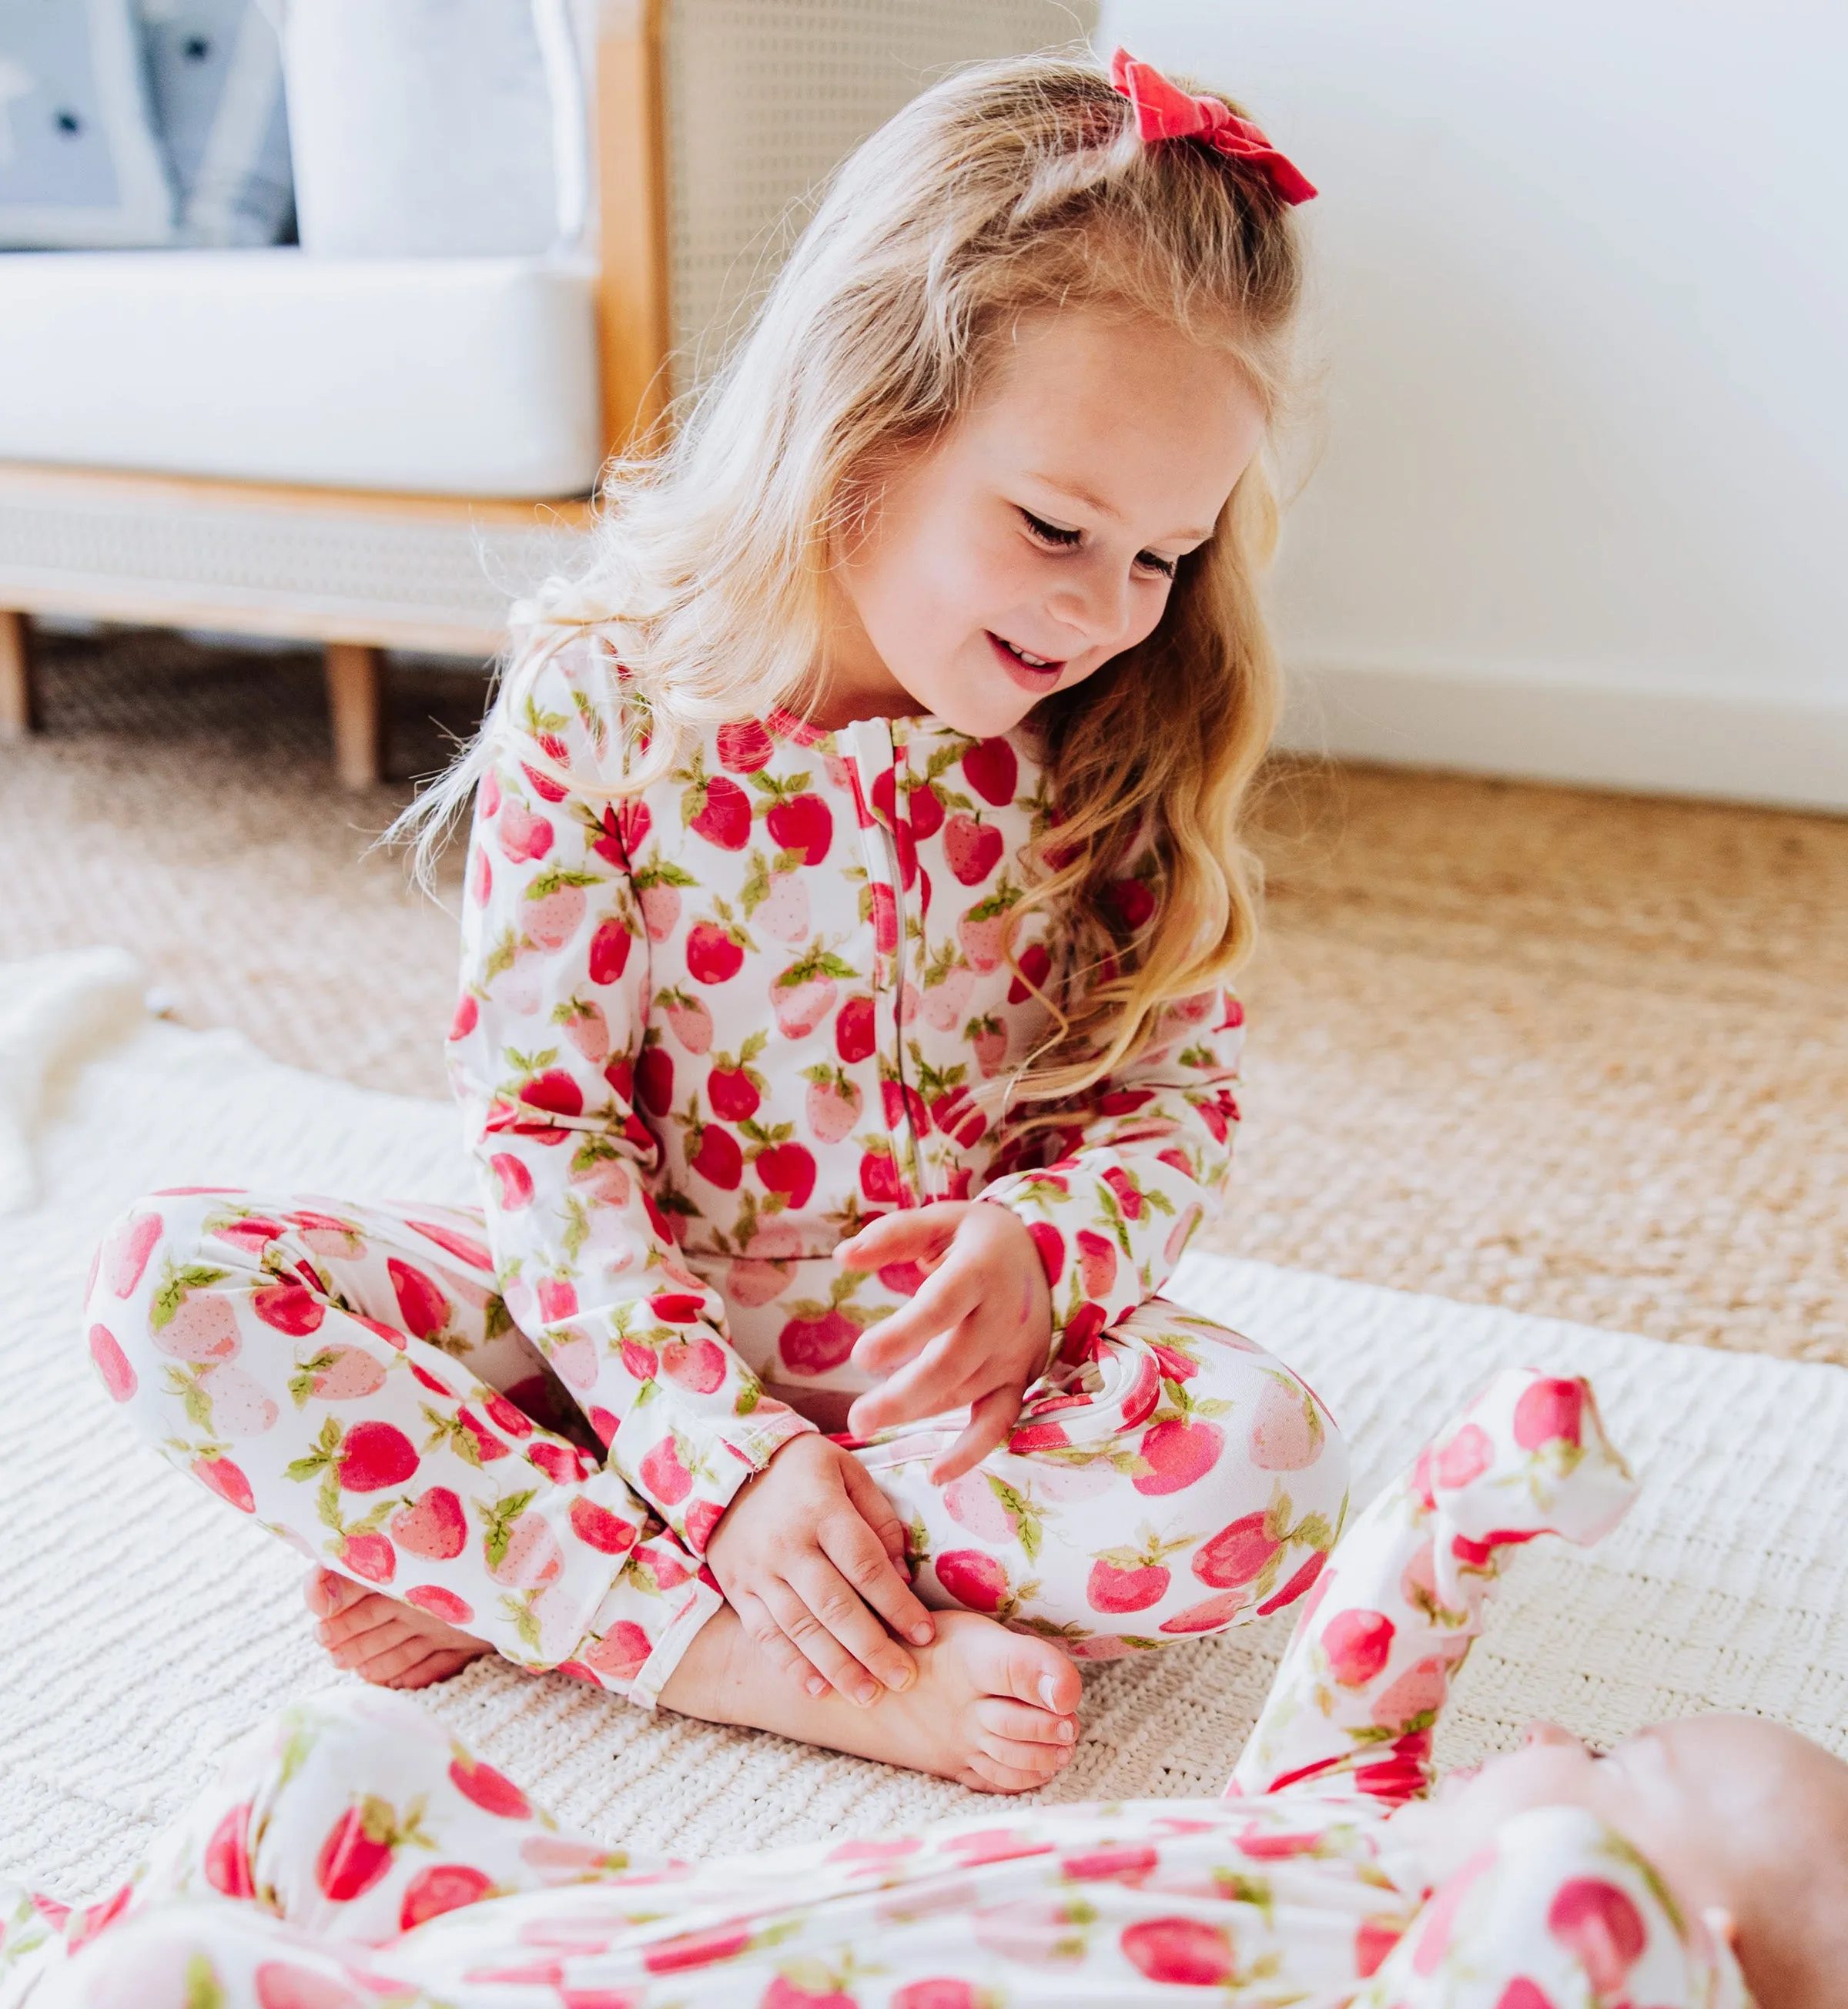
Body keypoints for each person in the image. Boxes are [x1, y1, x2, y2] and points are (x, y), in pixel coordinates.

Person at [82, 52, 1349, 1790]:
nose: (1104, 609)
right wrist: (714, 1450)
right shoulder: (606, 694)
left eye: (1161, 557)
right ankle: (747, 1649)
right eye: (1056, 524)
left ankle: (548, 1549)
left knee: (1262, 1466)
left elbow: (1172, 1097)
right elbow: (546, 1130)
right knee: (175, 1285)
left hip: (921, 1380)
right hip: (611, 1323)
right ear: (866, 412)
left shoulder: (1108, 745)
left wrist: (1051, 1252)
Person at [3, 1369, 1840, 2009]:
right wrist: (1480, 1493)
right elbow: (1354, 1693)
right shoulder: (1377, 1871)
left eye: (1620, 1768)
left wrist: (1584, 1877)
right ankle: (56, 1998)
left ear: (1674, 1977)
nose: (1578, 1736)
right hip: (614, 1953)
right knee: (338, 1769)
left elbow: (1562, 1925)